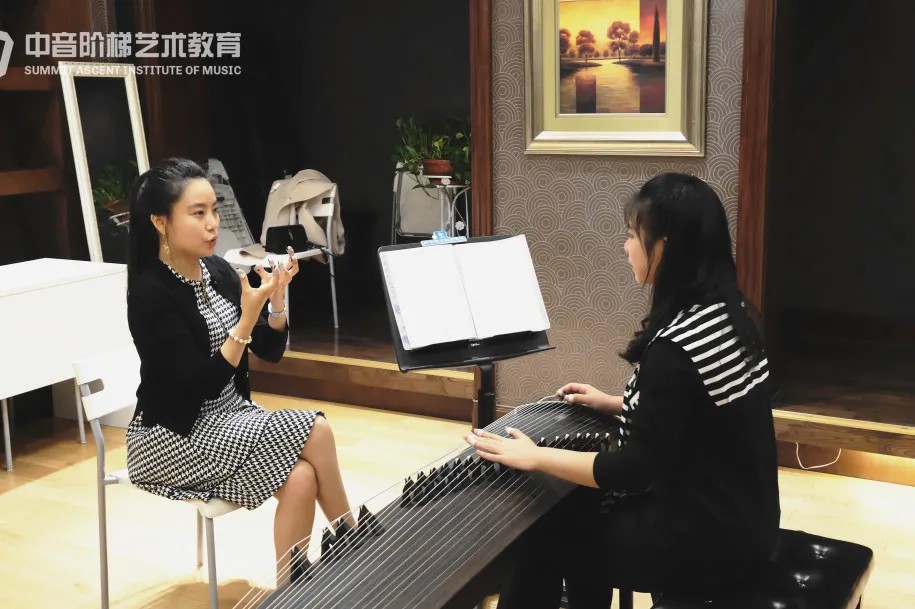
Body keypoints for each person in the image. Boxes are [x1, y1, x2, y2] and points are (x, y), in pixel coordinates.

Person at [465, 173, 780, 606]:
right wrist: (615, 403)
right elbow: (701, 415)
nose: (625, 246)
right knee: (574, 509)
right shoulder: (733, 312)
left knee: (544, 532)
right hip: (748, 521)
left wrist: (535, 457)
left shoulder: (675, 348)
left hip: (705, 544)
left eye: (632, 235)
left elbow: (633, 470)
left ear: (664, 246)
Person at [125, 157, 354, 583]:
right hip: (173, 436)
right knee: (316, 429)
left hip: (230, 421)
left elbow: (269, 350)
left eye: (213, 210)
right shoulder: (150, 295)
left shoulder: (217, 270)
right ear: (160, 221)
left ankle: (292, 589)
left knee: (302, 478)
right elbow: (200, 387)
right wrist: (247, 319)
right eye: (198, 213)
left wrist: (276, 301)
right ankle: (353, 539)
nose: (212, 224)